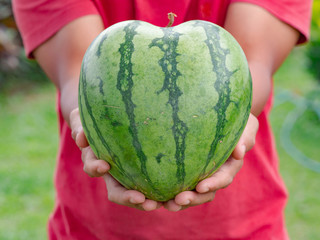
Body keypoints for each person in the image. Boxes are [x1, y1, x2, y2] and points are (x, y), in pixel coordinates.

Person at [12, 0, 311, 239]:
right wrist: (84, 124)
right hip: (92, 229)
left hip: (245, 227)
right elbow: (79, 76)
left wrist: (238, 122)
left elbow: (251, 64)